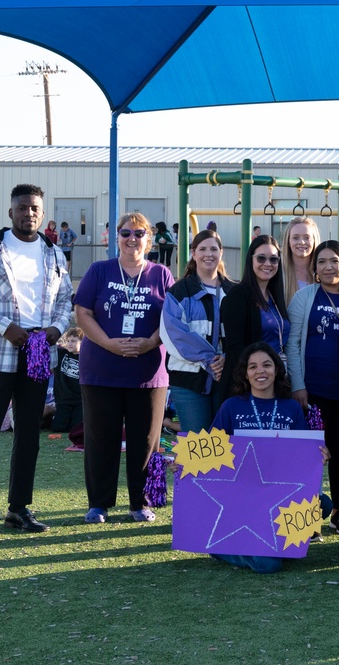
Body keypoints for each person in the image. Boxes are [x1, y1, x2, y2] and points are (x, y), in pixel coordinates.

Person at [0, 183, 73, 542]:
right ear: (11, 212)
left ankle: (18, 509)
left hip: (38, 352)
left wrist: (56, 327)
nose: (29, 214)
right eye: (22, 208)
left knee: (28, 435)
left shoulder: (54, 253)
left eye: (35, 208)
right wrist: (5, 328)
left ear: (42, 211)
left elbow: (66, 298)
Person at [75, 212, 174, 525]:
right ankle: (98, 504)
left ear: (150, 238)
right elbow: (82, 313)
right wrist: (109, 343)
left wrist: (149, 343)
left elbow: (172, 319)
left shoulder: (162, 274)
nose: (133, 239)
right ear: (115, 237)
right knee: (100, 439)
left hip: (148, 373)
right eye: (126, 233)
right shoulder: (99, 270)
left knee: (147, 441)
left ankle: (142, 503)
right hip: (101, 370)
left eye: (139, 233)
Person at [286, 240, 339, 534]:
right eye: (322, 262)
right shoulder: (304, 297)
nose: (328, 267)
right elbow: (292, 344)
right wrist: (298, 385)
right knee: (311, 453)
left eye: (334, 261)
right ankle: (308, 517)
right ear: (315, 268)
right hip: (312, 390)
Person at [160, 230, 236, 434]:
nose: (208, 254)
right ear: (193, 253)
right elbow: (173, 335)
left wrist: (228, 358)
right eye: (202, 249)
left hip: (228, 378)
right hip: (188, 381)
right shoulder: (179, 291)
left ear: (221, 252)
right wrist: (212, 360)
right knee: (196, 445)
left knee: (226, 443)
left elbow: (244, 334)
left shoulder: (235, 291)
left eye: (213, 249)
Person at [220, 235, 289, 404]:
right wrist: (257, 375)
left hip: (276, 382)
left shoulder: (276, 297)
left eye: (273, 259)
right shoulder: (237, 295)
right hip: (248, 386)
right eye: (261, 258)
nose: (268, 264)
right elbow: (235, 347)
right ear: (250, 259)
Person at [281, 216, 321, 305]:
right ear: (288, 242)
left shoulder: (322, 274)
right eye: (295, 238)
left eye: (307, 237)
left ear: (314, 241)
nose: (302, 242)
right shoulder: (278, 273)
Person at [51, 328, 83, 433]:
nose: (69, 344)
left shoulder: (87, 357)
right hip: (63, 400)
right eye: (68, 341)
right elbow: (50, 345)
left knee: (77, 427)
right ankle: (50, 416)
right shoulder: (61, 353)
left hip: (80, 400)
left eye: (73, 341)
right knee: (58, 428)